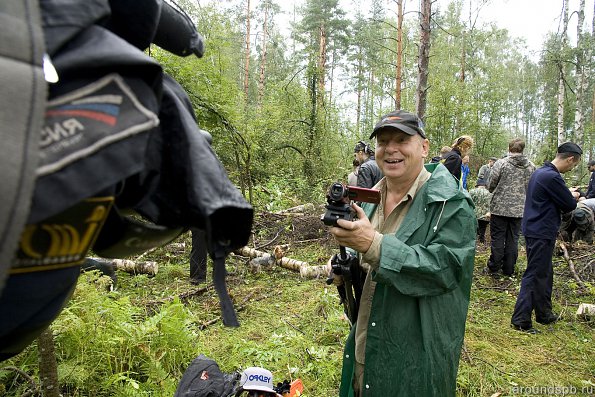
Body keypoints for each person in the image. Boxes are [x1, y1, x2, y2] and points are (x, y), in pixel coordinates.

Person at [329, 110, 476, 396]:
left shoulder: (451, 203)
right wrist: (345, 265)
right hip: (367, 340)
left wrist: (374, 245)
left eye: (402, 140)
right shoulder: (370, 196)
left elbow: (445, 270)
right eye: (383, 141)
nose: (391, 149)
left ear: (424, 147)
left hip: (415, 352)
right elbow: (367, 259)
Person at [511, 142, 582, 333]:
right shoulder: (551, 177)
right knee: (535, 274)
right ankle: (521, 320)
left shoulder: (541, 172)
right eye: (573, 165)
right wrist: (573, 195)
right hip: (540, 231)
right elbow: (569, 205)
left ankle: (544, 313)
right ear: (569, 159)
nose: (571, 168)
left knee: (545, 273)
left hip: (537, 228)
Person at [485, 138, 535, 277]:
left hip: (500, 208)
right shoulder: (531, 166)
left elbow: (490, 185)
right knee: (513, 239)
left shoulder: (501, 164)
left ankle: (494, 268)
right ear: (523, 149)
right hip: (520, 210)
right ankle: (508, 269)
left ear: (509, 148)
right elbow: (533, 188)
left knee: (498, 238)